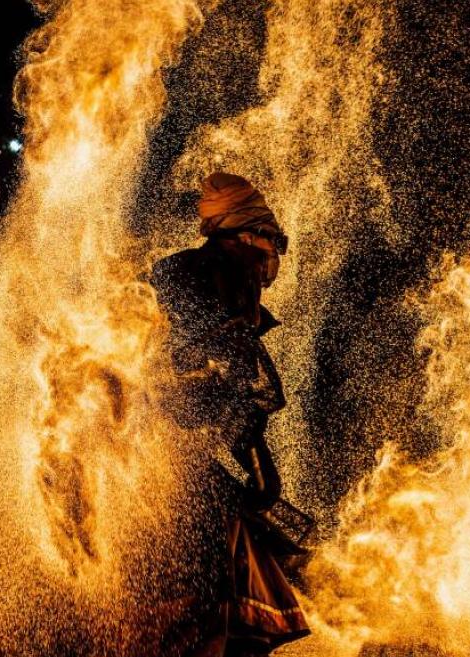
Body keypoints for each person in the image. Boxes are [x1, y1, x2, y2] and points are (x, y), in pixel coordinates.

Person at [150, 172, 309, 657]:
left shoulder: (187, 273)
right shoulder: (225, 270)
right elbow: (228, 363)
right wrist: (254, 450)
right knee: (208, 596)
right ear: (248, 235)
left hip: (150, 451)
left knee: (234, 586)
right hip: (157, 457)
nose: (272, 257)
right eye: (271, 240)